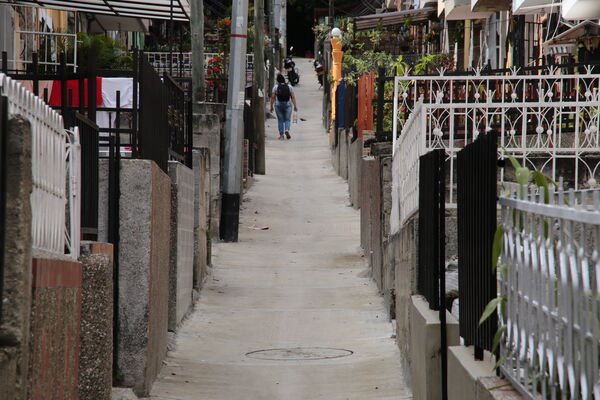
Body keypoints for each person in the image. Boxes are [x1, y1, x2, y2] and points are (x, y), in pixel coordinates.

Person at [270, 74, 298, 140]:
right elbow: (293, 97)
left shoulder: (275, 87)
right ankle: (287, 130)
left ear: (277, 80)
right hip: (288, 105)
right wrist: (295, 106)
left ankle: (281, 135)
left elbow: (273, 97)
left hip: (278, 105)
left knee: (280, 120)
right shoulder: (289, 86)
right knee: (287, 119)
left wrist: (271, 106)